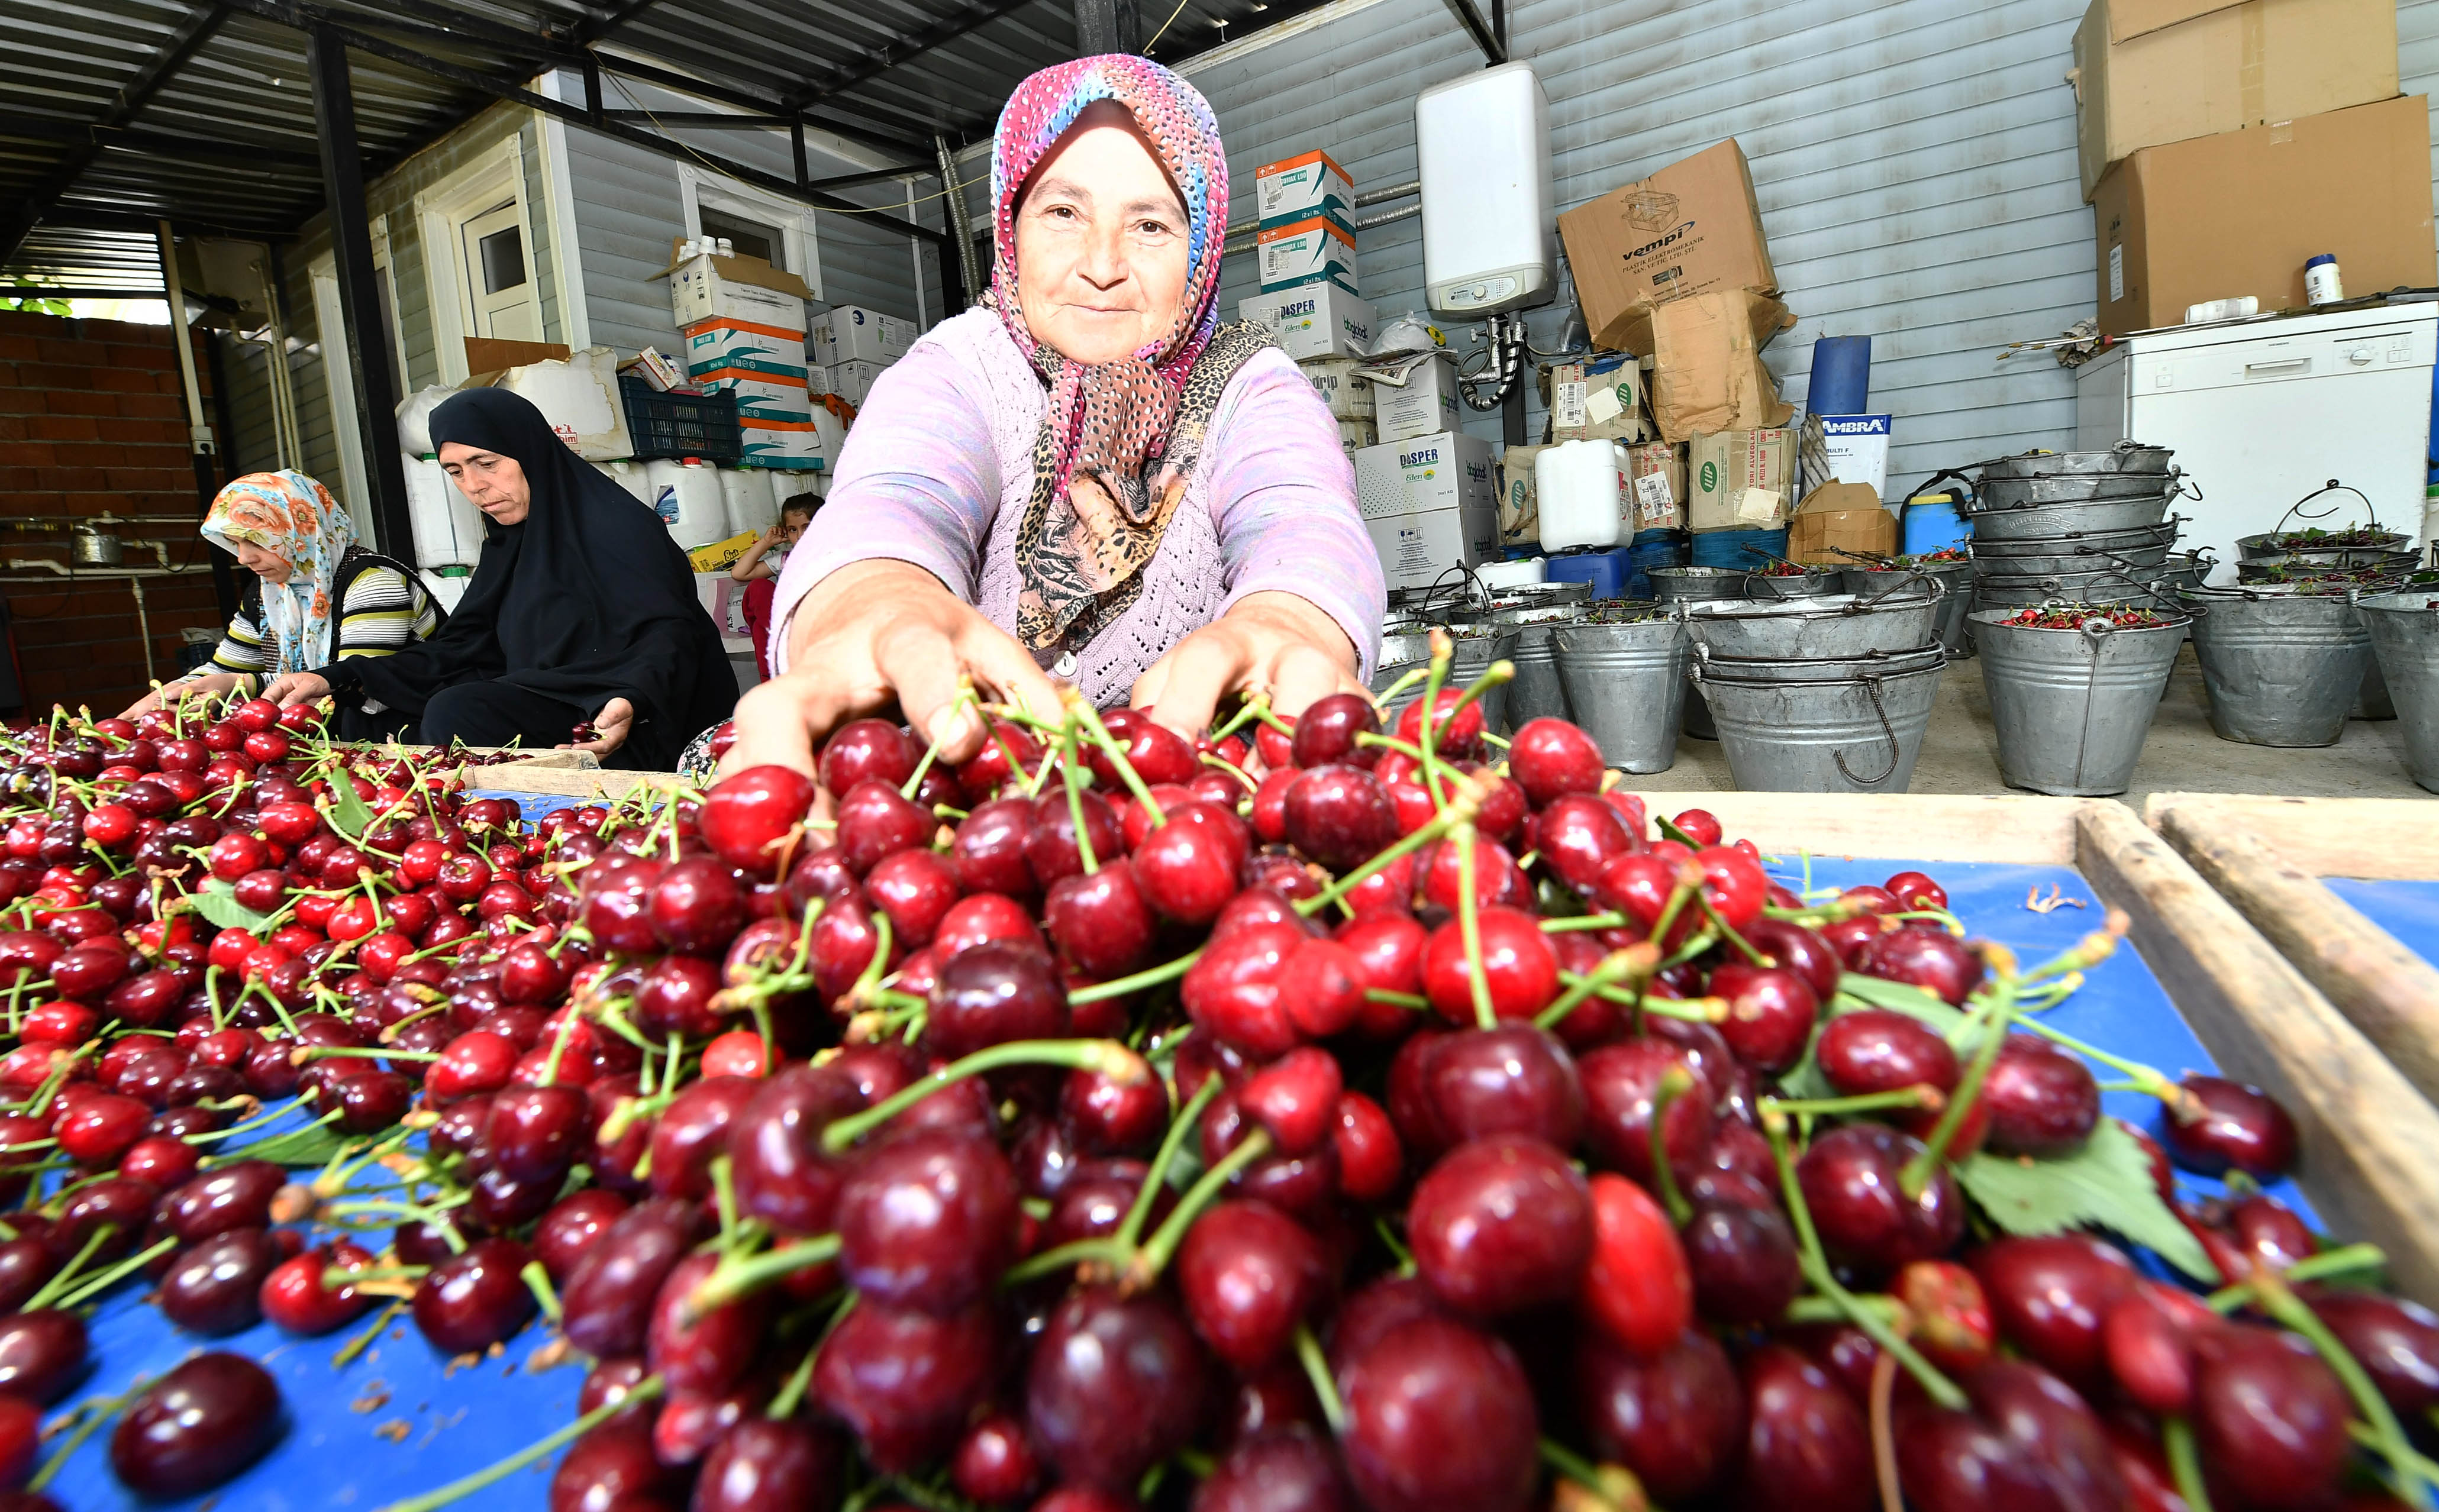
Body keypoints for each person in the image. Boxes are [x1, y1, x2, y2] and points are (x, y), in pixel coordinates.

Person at [724, 55, 1385, 778]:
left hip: (1191, 810)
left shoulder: (1248, 387)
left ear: (1202, 247)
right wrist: (875, 600)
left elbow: (1299, 512)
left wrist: (1289, 622)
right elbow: (897, 495)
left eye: (1153, 225)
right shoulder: (961, 368)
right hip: (978, 821)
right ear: (1011, 226)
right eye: (1064, 212)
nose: (1102, 264)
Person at [262, 387, 735, 769]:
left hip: (630, 717)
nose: (474, 486)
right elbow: (464, 649)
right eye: (455, 471)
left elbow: (670, 633)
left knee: (459, 711)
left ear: (528, 450)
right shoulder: (512, 544)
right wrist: (340, 678)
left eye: (487, 463)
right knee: (365, 719)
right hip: (555, 702)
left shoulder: (617, 526)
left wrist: (632, 697)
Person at [120, 471, 441, 739]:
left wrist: (241, 685)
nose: (244, 558)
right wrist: (171, 695)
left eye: (257, 541)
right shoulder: (271, 592)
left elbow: (348, 679)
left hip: (409, 737)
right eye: (236, 543)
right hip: (331, 737)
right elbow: (227, 668)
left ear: (303, 530)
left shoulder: (373, 582)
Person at [730, 492, 818, 679]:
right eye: (793, 530)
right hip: (783, 629)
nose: (800, 536)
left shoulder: (838, 556)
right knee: (759, 587)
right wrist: (765, 543)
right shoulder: (785, 560)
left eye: (807, 527)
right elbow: (740, 573)